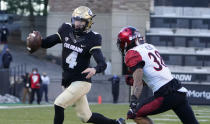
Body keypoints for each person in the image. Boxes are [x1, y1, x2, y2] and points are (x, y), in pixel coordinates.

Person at [26, 6, 125, 124]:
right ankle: (116, 123)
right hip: (68, 81)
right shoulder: (66, 29)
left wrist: (95, 69)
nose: (77, 24)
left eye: (81, 21)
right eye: (75, 20)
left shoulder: (93, 38)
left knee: (59, 104)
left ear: (88, 23)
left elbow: (102, 63)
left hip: (82, 81)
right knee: (86, 117)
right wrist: (38, 41)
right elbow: (47, 42)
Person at [117, 26, 199, 124]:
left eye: (122, 42)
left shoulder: (132, 53)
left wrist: (133, 102)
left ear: (127, 42)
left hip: (165, 94)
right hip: (178, 90)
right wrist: (136, 80)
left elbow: (138, 84)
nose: (121, 45)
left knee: (134, 114)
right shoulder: (149, 47)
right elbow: (153, 76)